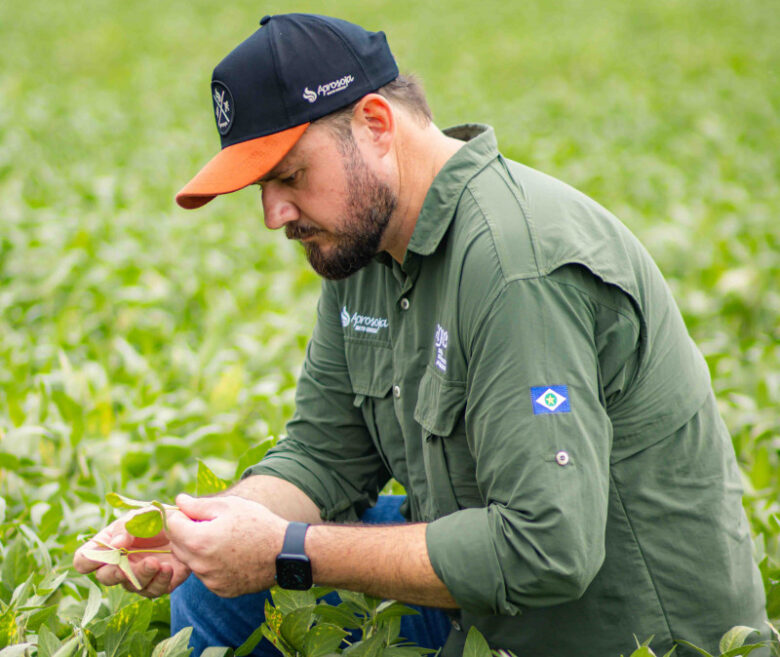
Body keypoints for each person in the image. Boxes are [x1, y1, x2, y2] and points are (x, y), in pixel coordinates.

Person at [74, 13, 768, 657]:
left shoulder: (514, 265)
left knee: (279, 562)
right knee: (215, 581)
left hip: (617, 633)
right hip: (480, 609)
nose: (273, 214)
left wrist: (288, 549)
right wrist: (200, 529)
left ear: (375, 122)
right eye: (260, 188)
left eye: (289, 176)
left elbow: (545, 547)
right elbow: (322, 454)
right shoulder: (360, 249)